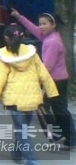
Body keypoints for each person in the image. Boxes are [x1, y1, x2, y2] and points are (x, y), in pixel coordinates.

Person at [0, 24, 59, 165]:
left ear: (6, 38)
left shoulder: (4, 56)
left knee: (22, 130)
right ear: (23, 36)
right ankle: (17, 153)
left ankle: (32, 160)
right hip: (32, 99)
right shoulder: (32, 53)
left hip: (15, 101)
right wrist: (52, 92)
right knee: (23, 128)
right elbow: (44, 74)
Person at [12, 9, 76, 150]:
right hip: (59, 79)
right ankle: (68, 137)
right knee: (59, 109)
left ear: (53, 24)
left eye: (44, 24)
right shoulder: (51, 37)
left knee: (43, 107)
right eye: (40, 24)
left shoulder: (52, 42)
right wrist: (19, 17)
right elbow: (34, 29)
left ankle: (60, 136)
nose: (41, 26)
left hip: (54, 81)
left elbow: (47, 66)